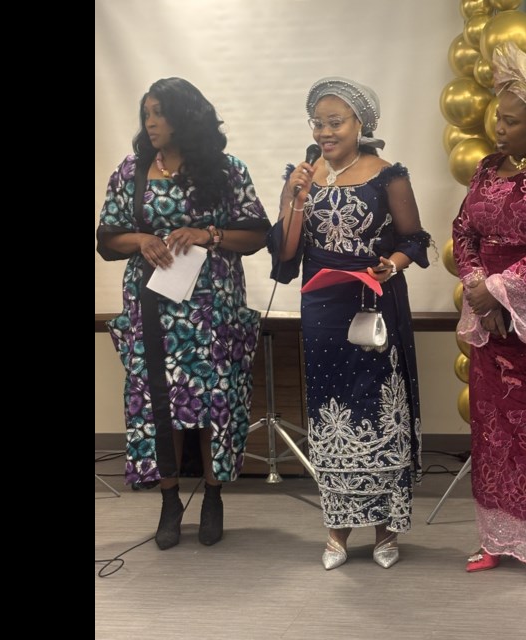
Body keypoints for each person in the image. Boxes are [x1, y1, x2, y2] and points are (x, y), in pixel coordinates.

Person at [96, 77, 270, 549]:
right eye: (145, 113)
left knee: (215, 400)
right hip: (152, 307)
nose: (150, 122)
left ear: (184, 117)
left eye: (159, 113)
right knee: (159, 405)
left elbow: (257, 234)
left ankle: (213, 497)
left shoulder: (226, 169)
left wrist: (207, 234)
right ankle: (170, 502)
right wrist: (141, 240)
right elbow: (107, 238)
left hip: (213, 308)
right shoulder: (131, 170)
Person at [268, 77, 432, 570]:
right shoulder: (302, 176)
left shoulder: (388, 175)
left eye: (334, 122)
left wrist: (393, 264)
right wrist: (295, 198)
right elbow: (286, 255)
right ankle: (336, 532)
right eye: (317, 123)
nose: (324, 132)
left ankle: (386, 532)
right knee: (331, 413)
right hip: (323, 310)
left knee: (378, 410)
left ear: (362, 123)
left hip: (374, 304)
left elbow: (416, 240)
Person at [452, 42, 526, 586]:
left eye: (510, 120)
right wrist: (479, 287)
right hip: (491, 322)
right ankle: (498, 537)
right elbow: (464, 231)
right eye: (497, 118)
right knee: (494, 428)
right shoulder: (486, 168)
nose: (498, 127)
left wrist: (505, 290)